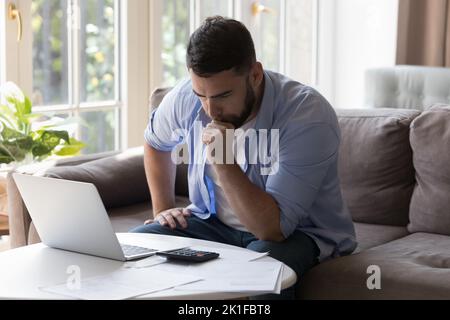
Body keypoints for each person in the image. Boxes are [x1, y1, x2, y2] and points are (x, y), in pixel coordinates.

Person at [130, 16, 357, 300]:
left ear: (255, 75)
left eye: (223, 95)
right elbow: (155, 143)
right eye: (202, 95)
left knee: (261, 268)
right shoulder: (186, 98)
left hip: (299, 234)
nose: (211, 110)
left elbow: (272, 229)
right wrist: (162, 210)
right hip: (211, 223)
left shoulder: (307, 116)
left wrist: (223, 160)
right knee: (138, 246)